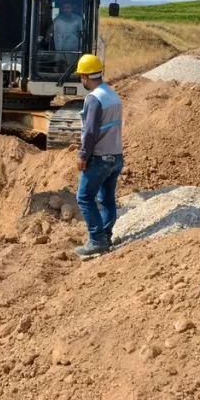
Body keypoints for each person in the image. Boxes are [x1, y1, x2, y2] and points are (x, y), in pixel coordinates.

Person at [72, 54, 124, 257]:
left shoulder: (94, 98)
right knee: (107, 198)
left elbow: (91, 131)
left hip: (100, 158)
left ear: (85, 76)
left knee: (84, 198)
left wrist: (83, 156)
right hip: (116, 156)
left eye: (81, 77)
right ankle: (105, 236)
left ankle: (97, 240)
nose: (81, 80)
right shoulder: (112, 94)